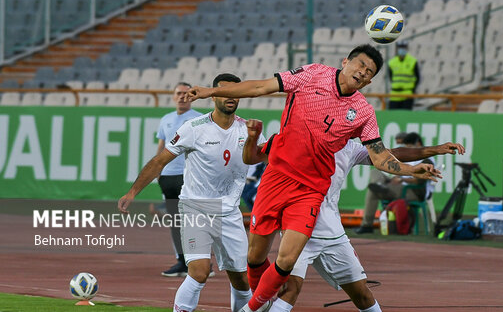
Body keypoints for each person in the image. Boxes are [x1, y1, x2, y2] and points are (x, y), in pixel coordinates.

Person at [184, 44, 441, 312]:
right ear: (346, 62)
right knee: (255, 258)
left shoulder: (363, 112)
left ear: (371, 81)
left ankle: (250, 310)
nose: (363, 73)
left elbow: (378, 156)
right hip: (276, 178)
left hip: (311, 189)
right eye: (360, 65)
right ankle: (260, 304)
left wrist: (412, 169)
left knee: (286, 261)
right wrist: (211, 91)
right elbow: (260, 87)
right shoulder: (313, 74)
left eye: (369, 72)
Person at [243, 123, 464, 312]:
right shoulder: (298, 139)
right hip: (299, 229)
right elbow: (255, 157)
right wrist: (252, 140)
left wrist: (435, 150)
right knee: (290, 290)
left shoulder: (350, 149)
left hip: (332, 233)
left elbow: (392, 153)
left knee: (362, 295)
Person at [118, 73, 266, 312]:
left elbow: (266, 161)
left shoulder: (247, 129)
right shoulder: (194, 128)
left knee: (241, 279)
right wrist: (132, 192)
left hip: (229, 212)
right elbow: (159, 161)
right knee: (199, 271)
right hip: (196, 207)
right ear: (213, 95)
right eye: (223, 91)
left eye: (234, 92)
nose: (230, 97)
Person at [155, 82, 203, 277]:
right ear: (173, 96)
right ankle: (182, 261)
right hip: (168, 176)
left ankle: (200, 262)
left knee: (192, 220)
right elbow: (161, 146)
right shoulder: (166, 119)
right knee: (175, 220)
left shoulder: (199, 119)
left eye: (186, 93)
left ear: (192, 96)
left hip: (188, 176)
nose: (182, 96)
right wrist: (157, 172)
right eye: (179, 93)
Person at [355, 132, 445, 234]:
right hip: (400, 186)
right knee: (375, 172)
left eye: (410, 146)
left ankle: (367, 224)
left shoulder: (427, 160)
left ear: (418, 144)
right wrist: (397, 177)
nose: (408, 148)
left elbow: (419, 181)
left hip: (413, 191)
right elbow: (402, 171)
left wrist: (402, 180)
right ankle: (381, 186)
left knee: (373, 191)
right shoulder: (411, 157)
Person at [387, 40, 420, 109]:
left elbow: (418, 78)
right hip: (395, 93)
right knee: (392, 116)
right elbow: (391, 78)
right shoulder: (392, 62)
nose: (401, 49)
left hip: (407, 93)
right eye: (400, 47)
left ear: (407, 48)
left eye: (403, 47)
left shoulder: (413, 61)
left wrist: (412, 90)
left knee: (406, 116)